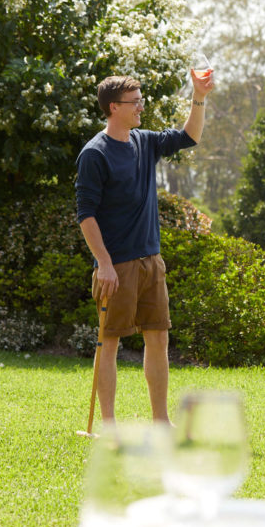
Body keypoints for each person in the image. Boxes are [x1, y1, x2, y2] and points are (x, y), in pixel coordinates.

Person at [75, 69, 215, 424]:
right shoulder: (95, 154)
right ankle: (108, 425)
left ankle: (160, 422)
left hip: (151, 261)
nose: (140, 107)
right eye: (133, 102)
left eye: (141, 100)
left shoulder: (145, 141)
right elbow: (86, 215)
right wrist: (103, 263)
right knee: (109, 344)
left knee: (158, 341)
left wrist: (199, 95)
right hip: (116, 266)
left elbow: (189, 136)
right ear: (112, 107)